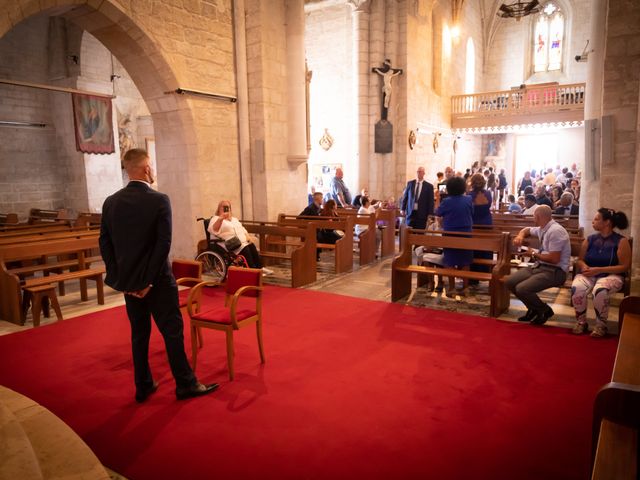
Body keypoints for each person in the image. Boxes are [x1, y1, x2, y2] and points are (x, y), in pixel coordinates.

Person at [99, 148, 218, 403]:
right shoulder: (159, 199)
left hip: (130, 283)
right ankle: (185, 384)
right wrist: (149, 280)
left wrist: (122, 277)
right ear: (146, 169)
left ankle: (142, 385)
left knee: (139, 334)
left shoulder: (111, 202)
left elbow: (105, 243)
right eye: (151, 165)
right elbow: (163, 244)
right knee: (172, 332)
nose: (152, 169)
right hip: (158, 282)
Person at [504, 205, 571, 325]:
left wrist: (533, 253)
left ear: (538, 216)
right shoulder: (543, 228)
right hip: (540, 266)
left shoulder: (555, 231)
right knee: (510, 282)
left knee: (522, 288)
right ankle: (533, 309)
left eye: (534, 216)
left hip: (555, 271)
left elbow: (554, 259)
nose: (533, 219)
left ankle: (544, 310)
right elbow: (526, 230)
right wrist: (520, 236)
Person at [571, 208, 631, 337]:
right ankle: (581, 322)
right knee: (577, 287)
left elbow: (625, 266)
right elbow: (580, 260)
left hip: (612, 275)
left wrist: (599, 270)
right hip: (589, 273)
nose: (593, 221)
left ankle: (601, 326)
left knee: (599, 290)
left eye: (597, 219)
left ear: (607, 222)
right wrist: (584, 266)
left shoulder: (621, 241)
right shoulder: (590, 239)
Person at [434, 176, 474, 295]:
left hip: (450, 233)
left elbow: (437, 212)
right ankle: (465, 287)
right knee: (465, 261)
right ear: (462, 187)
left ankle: (452, 288)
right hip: (466, 233)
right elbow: (472, 213)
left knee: (450, 261)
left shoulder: (447, 201)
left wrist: (437, 199)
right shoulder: (468, 199)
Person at [208, 200, 265, 270]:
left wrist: (247, 236)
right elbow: (214, 230)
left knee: (251, 246)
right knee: (245, 249)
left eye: (228, 207)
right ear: (219, 208)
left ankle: (260, 268)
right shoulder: (215, 218)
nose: (226, 209)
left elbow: (242, 228)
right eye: (224, 207)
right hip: (229, 243)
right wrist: (221, 219)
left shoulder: (234, 219)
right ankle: (252, 269)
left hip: (242, 242)